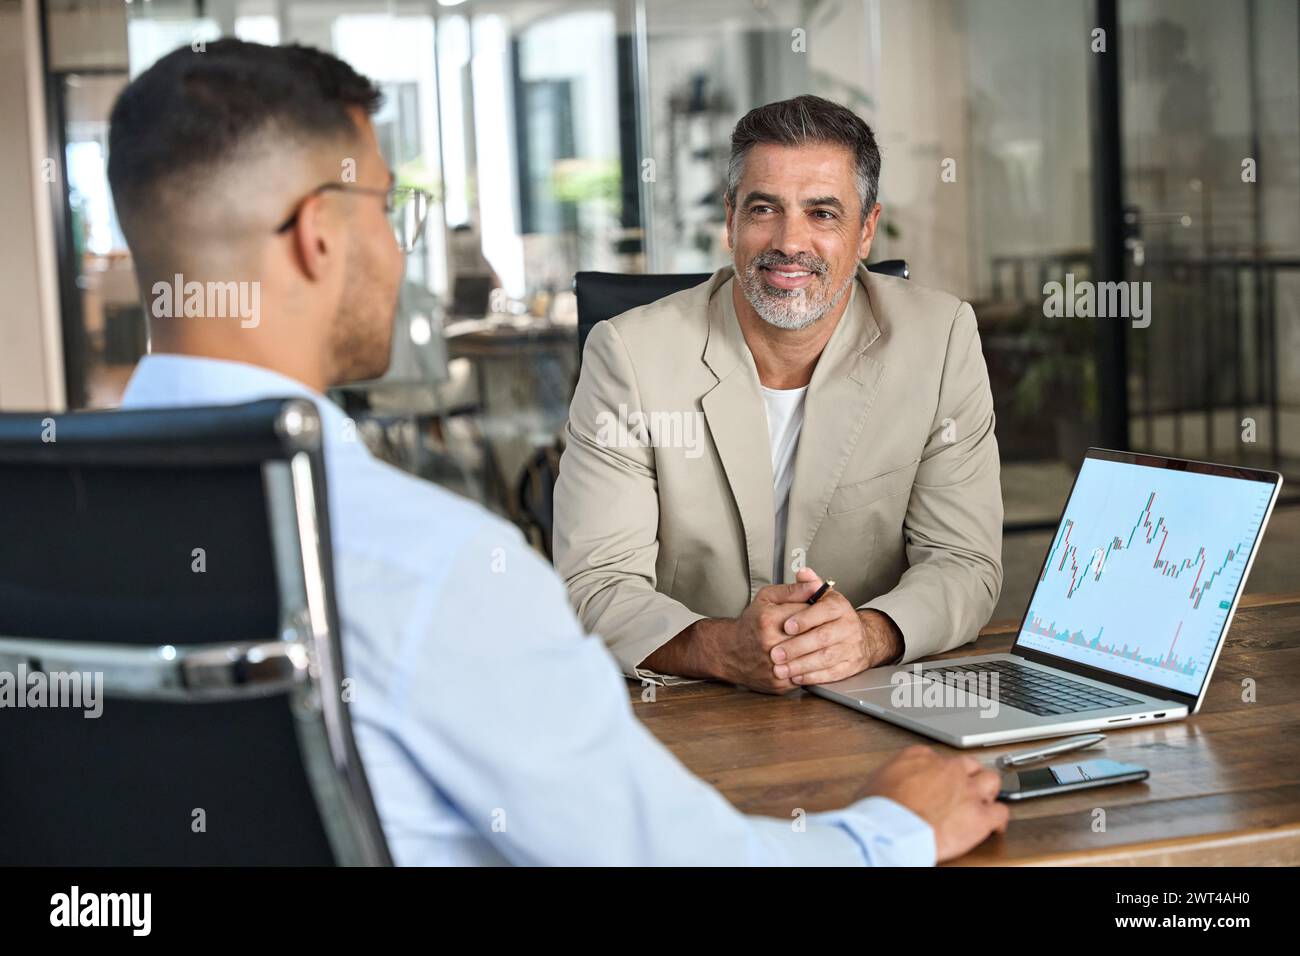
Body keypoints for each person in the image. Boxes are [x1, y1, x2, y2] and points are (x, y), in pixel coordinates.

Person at [107, 40, 1007, 865]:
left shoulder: (49, 526)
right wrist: (891, 830)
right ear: (318, 235)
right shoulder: (437, 570)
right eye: (392, 208)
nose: (398, 242)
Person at [553, 95, 1003, 694]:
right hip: (685, 705)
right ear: (731, 220)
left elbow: (965, 561)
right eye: (765, 208)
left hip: (870, 696)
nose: (790, 242)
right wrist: (721, 648)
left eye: (822, 213)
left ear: (866, 229)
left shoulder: (940, 341)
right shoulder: (628, 356)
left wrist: (869, 635)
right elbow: (595, 583)